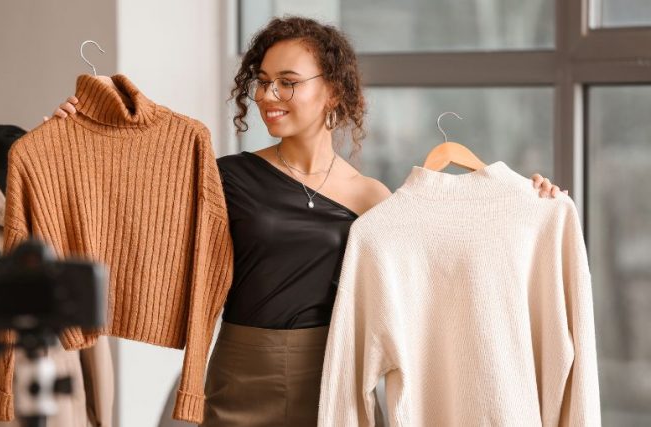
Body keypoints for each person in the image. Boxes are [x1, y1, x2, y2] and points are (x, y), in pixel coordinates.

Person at [47, 16, 563, 427]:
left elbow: (446, 258)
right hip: (238, 379)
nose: (269, 97)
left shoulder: (373, 196)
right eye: (263, 82)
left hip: (335, 379)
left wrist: (530, 202)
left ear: (333, 91)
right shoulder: (226, 177)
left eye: (288, 83)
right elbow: (129, 208)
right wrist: (76, 136)